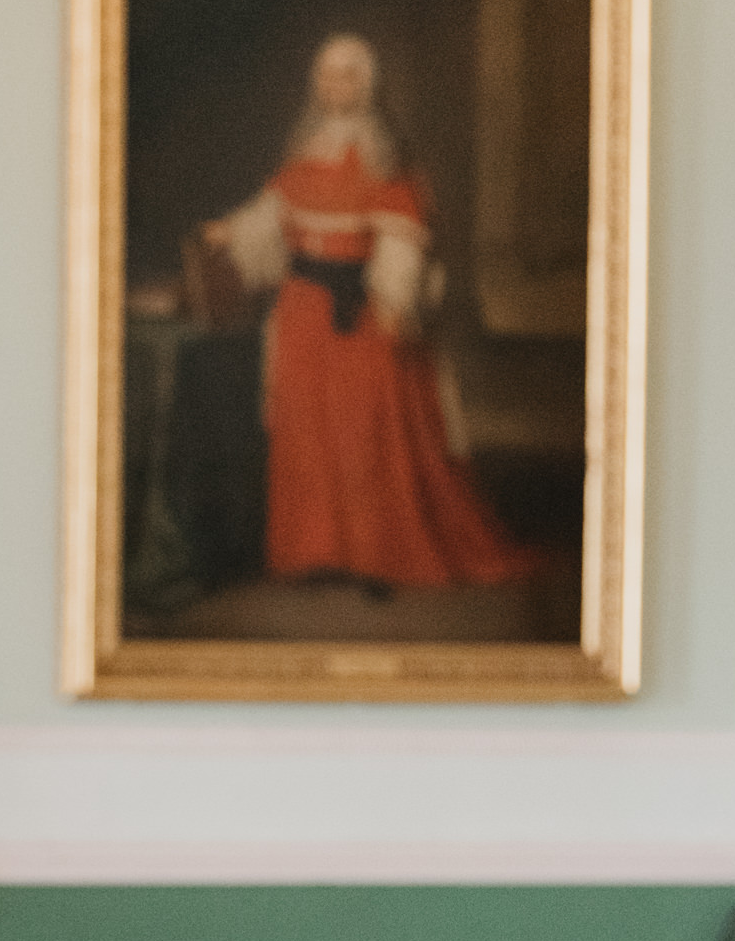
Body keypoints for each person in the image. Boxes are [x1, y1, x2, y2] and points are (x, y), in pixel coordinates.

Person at [202, 29, 538, 590]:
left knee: (367, 433)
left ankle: (379, 555)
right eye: (329, 77)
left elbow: (403, 238)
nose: (338, 87)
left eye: (350, 76)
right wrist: (229, 232)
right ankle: (317, 552)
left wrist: (394, 298)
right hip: (304, 311)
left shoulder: (389, 156)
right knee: (309, 432)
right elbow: (272, 212)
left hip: (366, 313)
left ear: (369, 84)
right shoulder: (305, 152)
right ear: (317, 85)